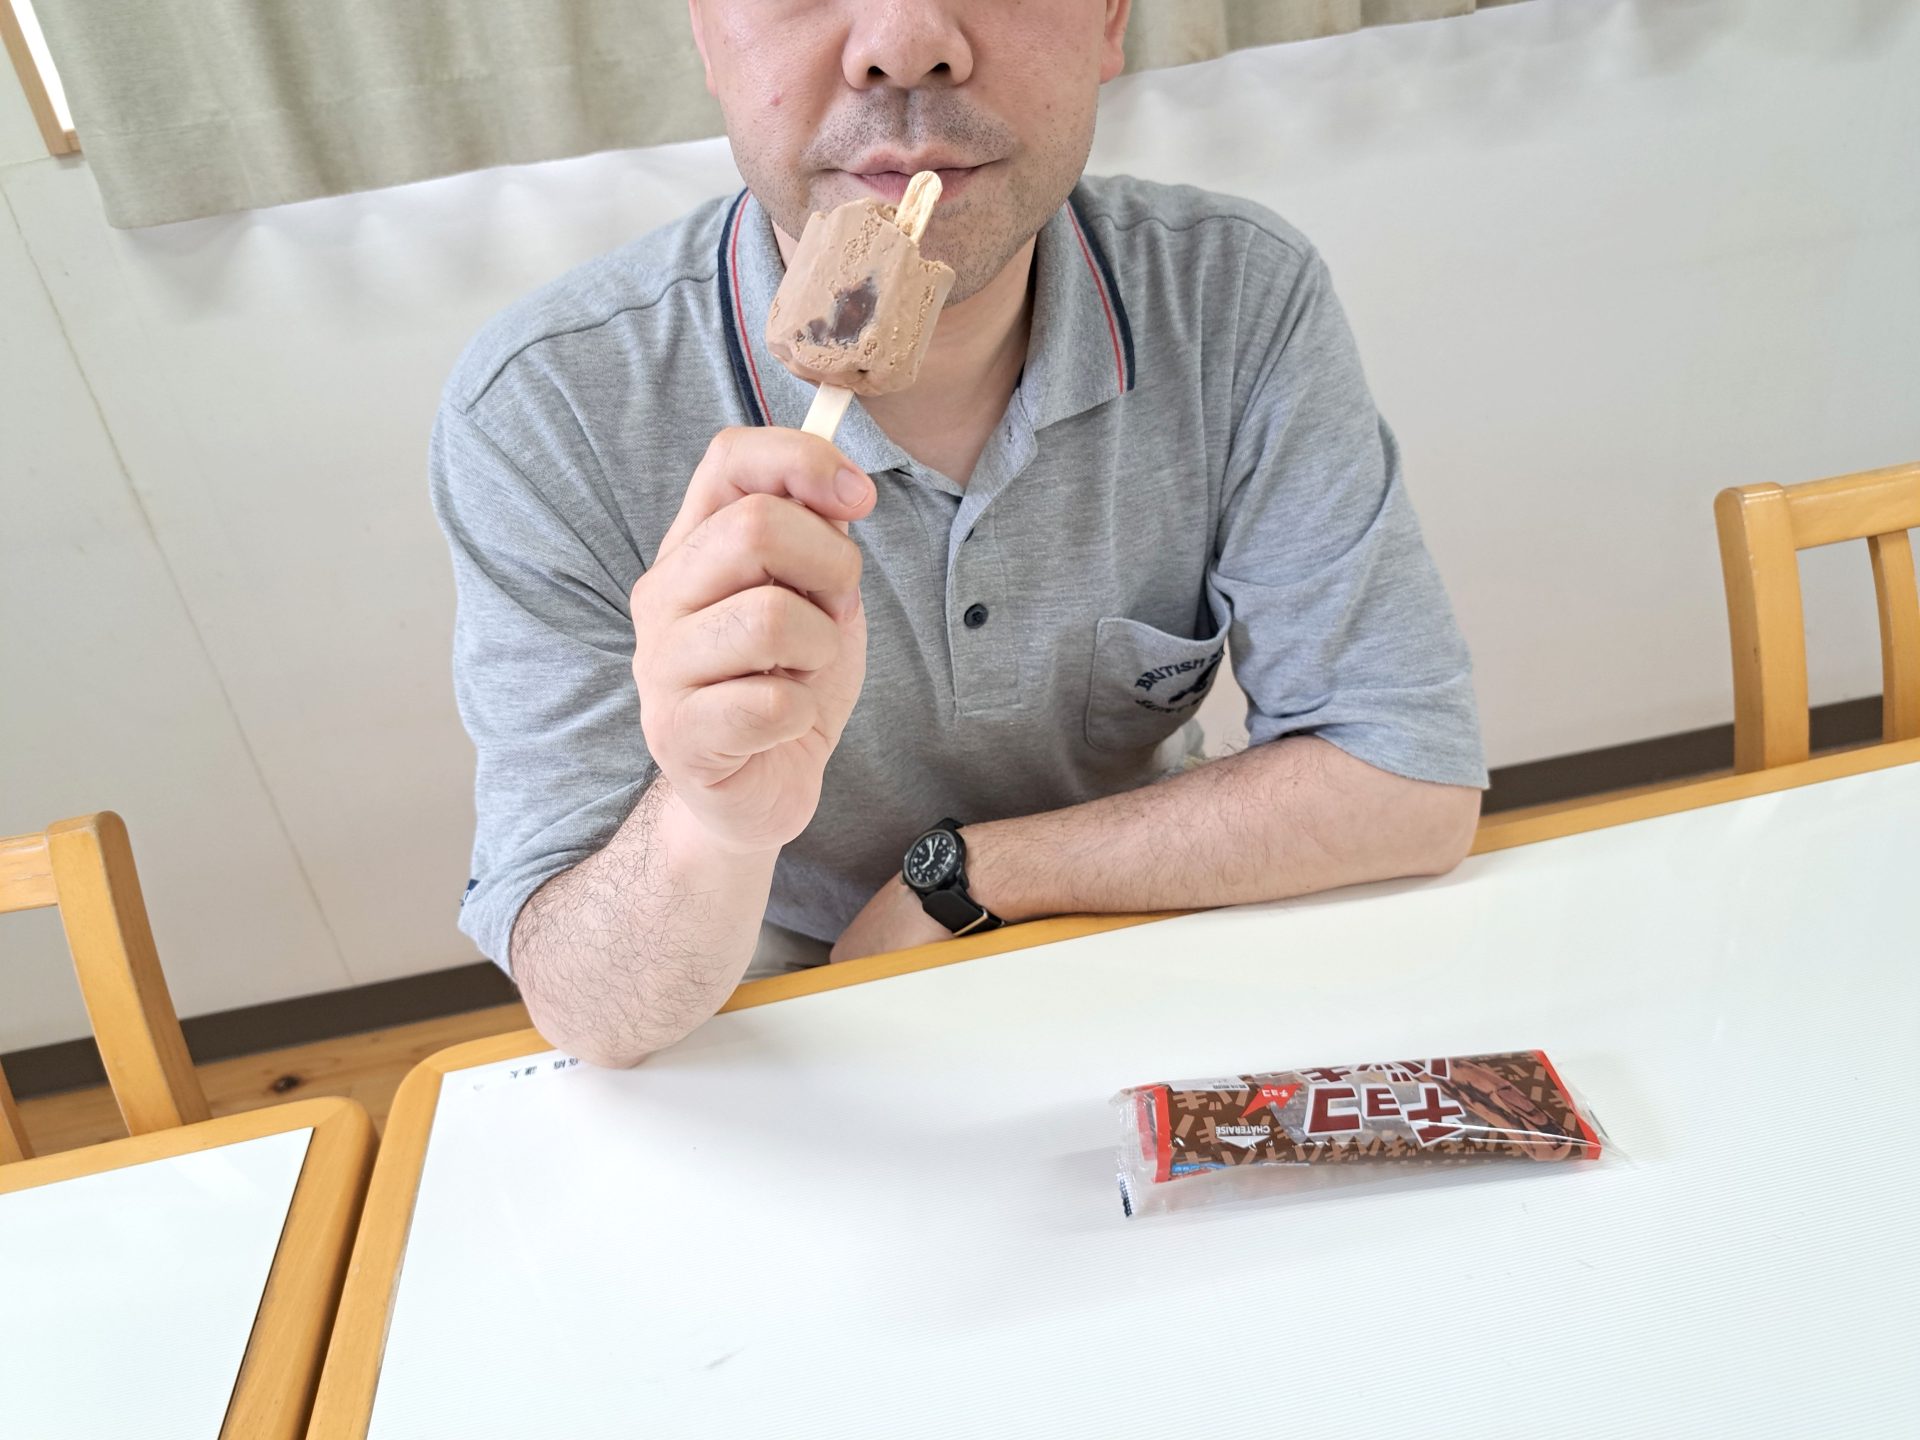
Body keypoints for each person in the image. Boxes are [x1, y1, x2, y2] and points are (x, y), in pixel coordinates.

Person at [431, 0, 1487, 1067]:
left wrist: (965, 880)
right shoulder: (547, 404)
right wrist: (715, 822)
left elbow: (1409, 779)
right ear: (707, 33)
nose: (904, 42)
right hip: (766, 1006)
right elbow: (587, 1009)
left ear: (1110, 19)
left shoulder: (1233, 295)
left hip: (1145, 919)